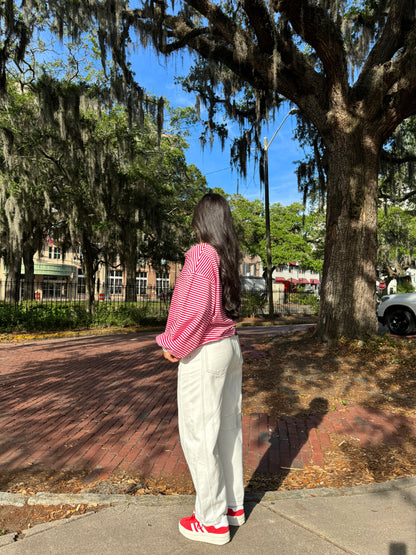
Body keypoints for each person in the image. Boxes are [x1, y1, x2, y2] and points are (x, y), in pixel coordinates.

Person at [156, 193, 244, 546]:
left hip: (206, 351)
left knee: (199, 434)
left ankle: (211, 521)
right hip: (229, 347)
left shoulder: (200, 254)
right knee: (227, 430)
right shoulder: (225, 256)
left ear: (202, 220)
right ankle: (232, 506)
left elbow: (195, 311)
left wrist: (174, 345)